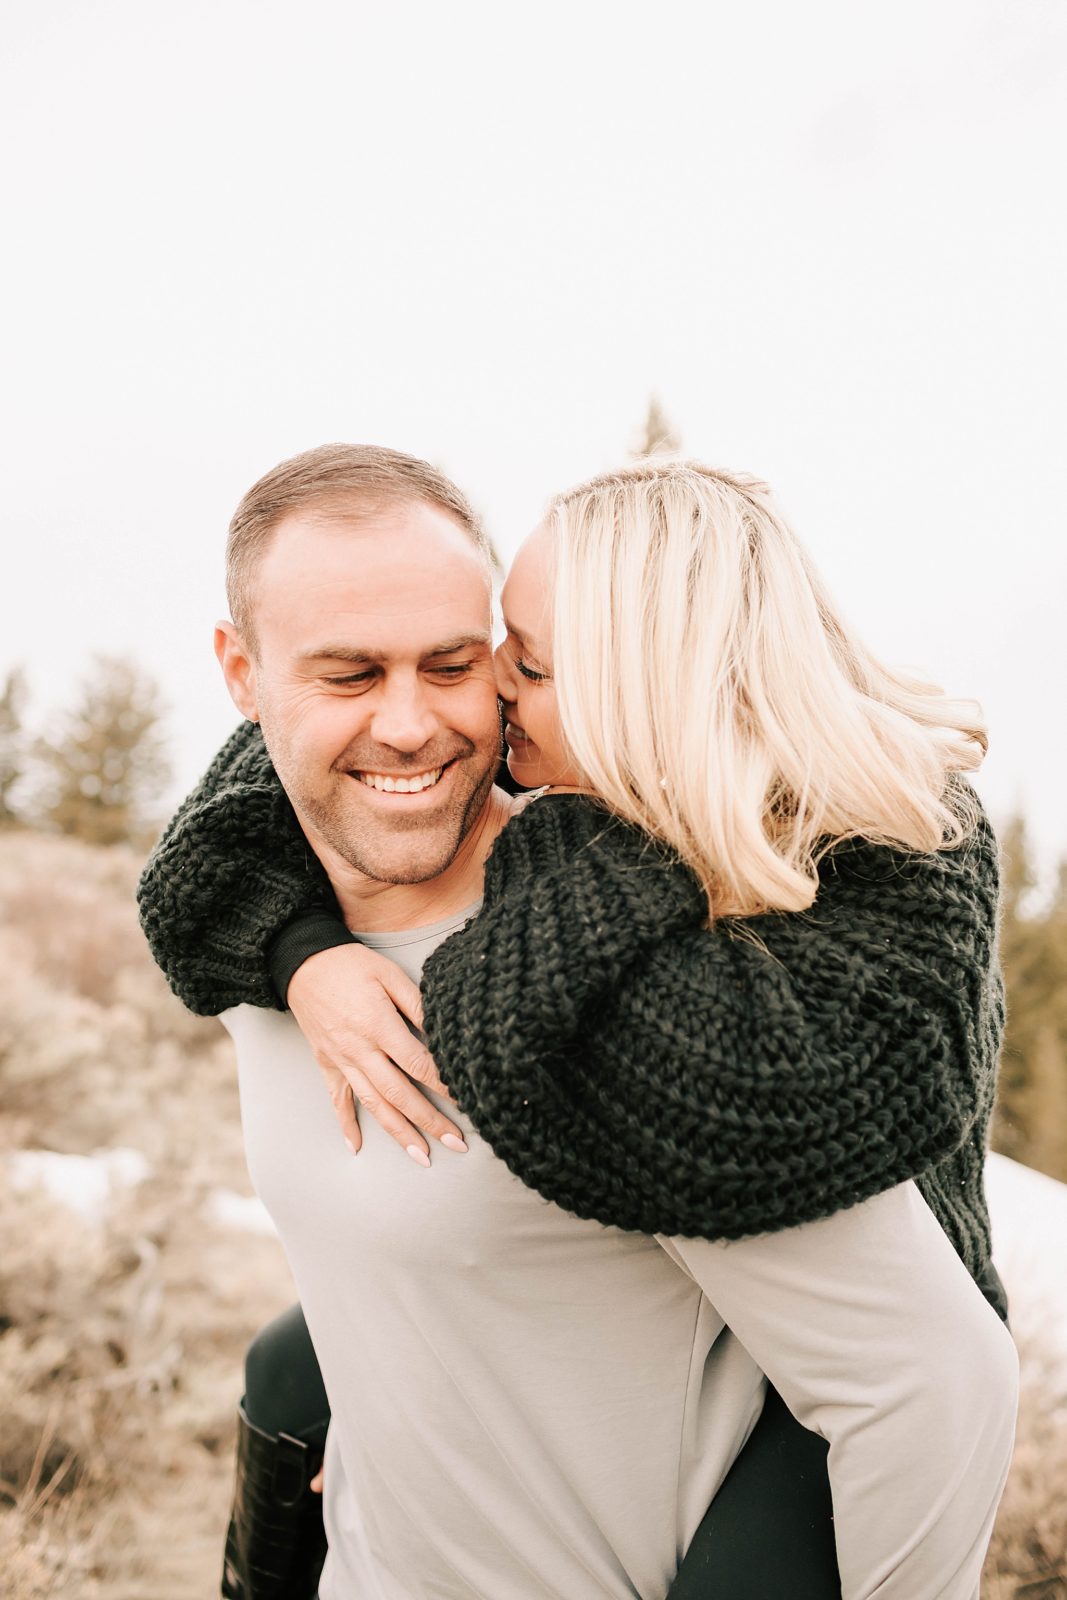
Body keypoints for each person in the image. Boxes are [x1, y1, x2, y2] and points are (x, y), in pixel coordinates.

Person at [139, 444, 1017, 1600]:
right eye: (347, 674)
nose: (415, 722)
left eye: (464, 664)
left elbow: (928, 1381)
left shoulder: (640, 1017)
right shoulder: (258, 898)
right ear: (243, 676)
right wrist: (303, 959)